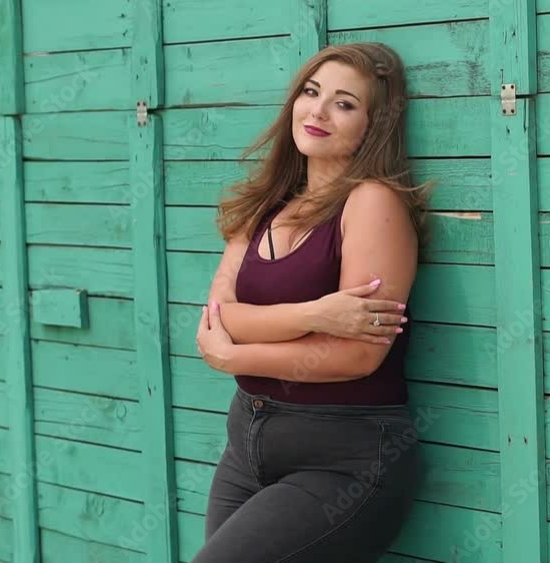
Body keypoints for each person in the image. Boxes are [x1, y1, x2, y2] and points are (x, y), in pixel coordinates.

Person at [191, 42, 431, 562]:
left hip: (344, 458)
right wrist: (314, 316)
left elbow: (358, 355)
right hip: (247, 445)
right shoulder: (265, 204)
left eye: (345, 103)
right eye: (311, 91)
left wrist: (235, 356)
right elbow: (218, 316)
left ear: (375, 125)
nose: (318, 111)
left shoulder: (372, 202)